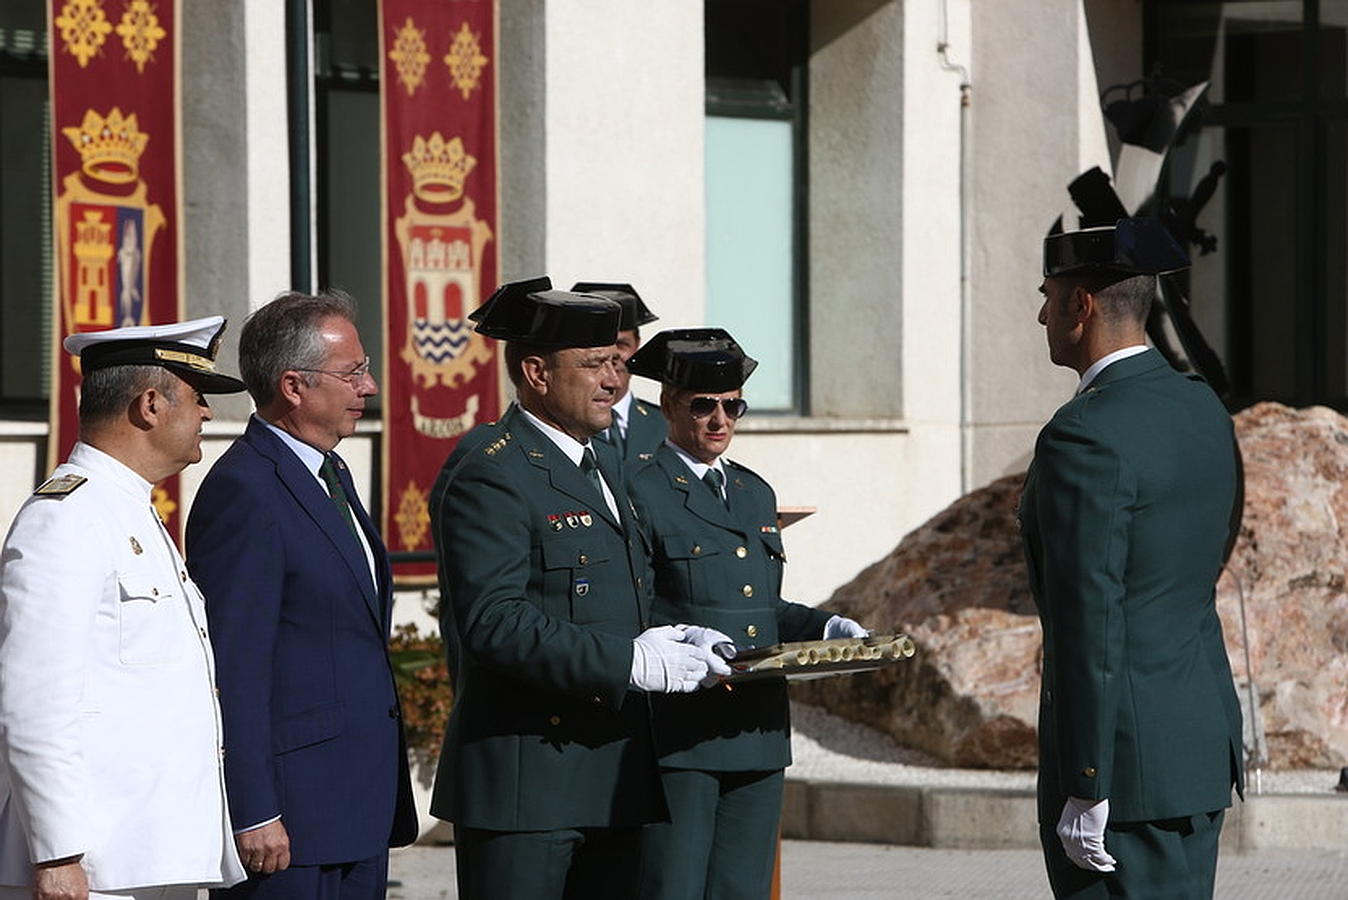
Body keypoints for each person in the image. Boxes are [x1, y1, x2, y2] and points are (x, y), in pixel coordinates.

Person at [428, 277, 730, 900]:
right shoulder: (493, 469)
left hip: (611, 774)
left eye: (618, 362)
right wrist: (633, 660)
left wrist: (669, 633)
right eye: (594, 364)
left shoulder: (598, 463)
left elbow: (606, 598)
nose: (615, 381)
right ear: (536, 373)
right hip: (529, 784)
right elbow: (494, 622)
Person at [1020, 218, 1244, 899]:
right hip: (1196, 749)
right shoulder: (1201, 406)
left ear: (1080, 305)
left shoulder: (1083, 434)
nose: (1040, 314)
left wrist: (1086, 784)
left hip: (1123, 771)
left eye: (1047, 294)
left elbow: (1089, 619)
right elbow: (1207, 565)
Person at [0, 317, 248, 900]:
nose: (207, 414)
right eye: (197, 397)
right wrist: (58, 853)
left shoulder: (132, 510)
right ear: (151, 404)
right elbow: (35, 700)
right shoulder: (66, 518)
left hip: (152, 855)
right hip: (94, 867)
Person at [186, 292, 417, 899]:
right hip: (293, 821)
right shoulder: (246, 489)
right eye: (352, 373)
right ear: (294, 386)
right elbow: (234, 665)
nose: (368, 387)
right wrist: (253, 808)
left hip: (355, 808)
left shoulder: (329, 471)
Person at [624, 328, 868, 900]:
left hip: (757, 729)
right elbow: (634, 609)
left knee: (745, 889)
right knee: (673, 887)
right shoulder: (640, 489)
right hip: (682, 730)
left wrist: (827, 628)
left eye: (732, 406)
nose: (719, 420)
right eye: (702, 406)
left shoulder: (753, 493)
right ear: (668, 406)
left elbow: (762, 607)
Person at [572, 282, 666, 467]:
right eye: (601, 348)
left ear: (637, 346)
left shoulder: (667, 425)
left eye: (621, 345)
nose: (612, 357)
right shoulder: (566, 424)